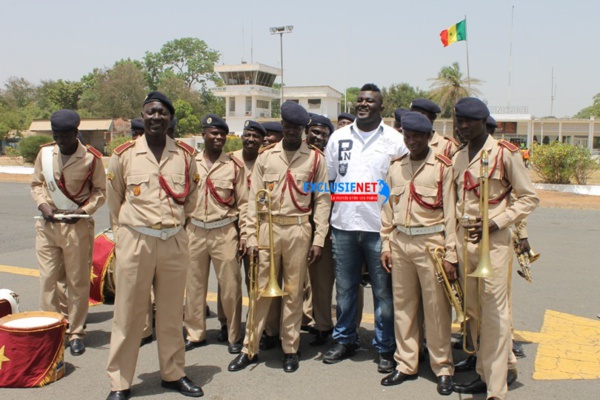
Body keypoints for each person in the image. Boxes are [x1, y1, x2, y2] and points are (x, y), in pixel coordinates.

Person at [105, 91, 202, 399]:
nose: (156, 117)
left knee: (173, 314)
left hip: (173, 240)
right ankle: (120, 382)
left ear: (170, 118)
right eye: (151, 112)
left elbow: (192, 200)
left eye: (162, 112)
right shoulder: (123, 155)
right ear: (143, 116)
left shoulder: (185, 156)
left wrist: (177, 228)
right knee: (128, 314)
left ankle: (173, 374)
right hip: (136, 240)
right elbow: (114, 201)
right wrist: (122, 237)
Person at [228, 101, 330, 373]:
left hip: (299, 229)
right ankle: (250, 348)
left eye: (297, 126)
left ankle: (290, 348)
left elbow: (321, 200)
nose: (292, 130)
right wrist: (250, 236)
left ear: (303, 128)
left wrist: (319, 238)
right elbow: (252, 200)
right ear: (282, 126)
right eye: (287, 125)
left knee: (294, 292)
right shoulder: (266, 156)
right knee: (260, 291)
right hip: (267, 229)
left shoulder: (316, 158)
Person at [451, 97, 538, 400]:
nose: (463, 127)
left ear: (483, 121)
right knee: (473, 312)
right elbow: (455, 205)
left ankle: (496, 390)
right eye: (459, 121)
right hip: (465, 244)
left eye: (469, 122)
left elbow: (529, 198)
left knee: (495, 315)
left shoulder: (504, 154)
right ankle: (486, 373)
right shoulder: (459, 156)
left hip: (495, 244)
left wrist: (496, 222)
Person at [323, 83, 408, 373]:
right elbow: (330, 180)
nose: (363, 104)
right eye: (359, 100)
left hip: (379, 229)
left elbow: (402, 185)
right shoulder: (338, 137)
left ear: (380, 107)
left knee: (384, 293)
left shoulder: (395, 140)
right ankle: (345, 339)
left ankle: (385, 347)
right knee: (345, 289)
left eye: (370, 101)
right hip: (344, 225)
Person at [379, 111, 456, 395]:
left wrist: (451, 254)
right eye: (407, 136)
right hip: (401, 243)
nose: (411, 141)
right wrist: (386, 244)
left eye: (417, 137)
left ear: (428, 137)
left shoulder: (443, 167)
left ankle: (443, 367)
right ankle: (406, 363)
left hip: (431, 243)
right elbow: (386, 209)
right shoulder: (395, 167)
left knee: (436, 310)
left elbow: (451, 215)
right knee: (404, 307)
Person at [31, 109, 106, 357]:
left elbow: (100, 192)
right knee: (49, 280)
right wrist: (42, 205)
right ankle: (51, 328)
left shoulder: (91, 158)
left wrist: (83, 210)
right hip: (48, 225)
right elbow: (36, 184)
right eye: (56, 134)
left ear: (76, 133)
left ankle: (75, 333)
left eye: (65, 134)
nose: (60, 139)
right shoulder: (44, 154)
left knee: (77, 281)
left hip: (77, 226)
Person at [184, 114, 247, 355]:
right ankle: (195, 333)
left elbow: (244, 204)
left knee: (230, 286)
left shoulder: (234, 166)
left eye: (222, 133)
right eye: (213, 132)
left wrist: (245, 235)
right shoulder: (189, 163)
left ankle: (233, 334)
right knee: (194, 286)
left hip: (224, 230)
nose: (218, 137)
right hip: (195, 230)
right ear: (203, 134)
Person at [304, 114, 336, 346]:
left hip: (336, 229)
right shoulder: (302, 159)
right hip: (307, 229)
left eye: (324, 133)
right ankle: (322, 326)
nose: (318, 136)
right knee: (318, 284)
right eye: (315, 131)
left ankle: (344, 330)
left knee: (339, 285)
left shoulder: (333, 161)